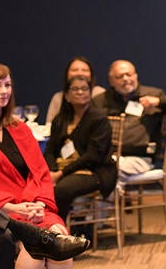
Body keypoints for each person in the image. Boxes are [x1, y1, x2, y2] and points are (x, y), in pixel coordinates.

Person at [0, 61, 78, 269]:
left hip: (35, 208)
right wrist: (14, 208)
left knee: (61, 252)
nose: (4, 91)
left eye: (7, 85)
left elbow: (41, 174)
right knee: (34, 253)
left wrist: (40, 204)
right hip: (3, 211)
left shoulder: (19, 128)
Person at [0, 141, 90, 269]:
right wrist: (10, 208)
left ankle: (30, 233)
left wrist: (39, 203)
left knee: (2, 236)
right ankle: (30, 233)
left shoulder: (20, 129)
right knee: (38, 247)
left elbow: (39, 171)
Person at [92, 60, 166, 172]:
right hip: (107, 155)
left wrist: (159, 102)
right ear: (111, 81)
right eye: (119, 76)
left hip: (140, 157)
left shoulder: (154, 94)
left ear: (136, 76)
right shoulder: (101, 100)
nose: (125, 79)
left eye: (129, 74)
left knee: (110, 171)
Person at [44, 75, 117, 220]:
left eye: (85, 89)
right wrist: (52, 171)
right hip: (63, 169)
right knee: (36, 186)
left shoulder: (99, 119)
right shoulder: (60, 120)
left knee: (62, 189)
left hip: (94, 171)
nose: (80, 92)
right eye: (75, 89)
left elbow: (93, 156)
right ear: (67, 95)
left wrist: (61, 174)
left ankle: (61, 231)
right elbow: (50, 149)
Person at [45, 57, 106, 124]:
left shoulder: (101, 94)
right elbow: (49, 125)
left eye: (84, 70)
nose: (79, 73)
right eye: (74, 70)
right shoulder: (58, 97)